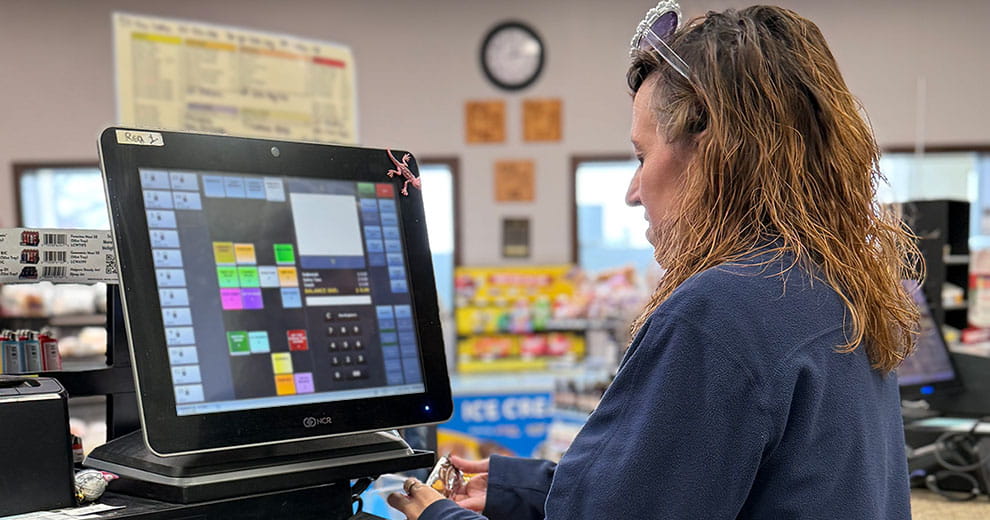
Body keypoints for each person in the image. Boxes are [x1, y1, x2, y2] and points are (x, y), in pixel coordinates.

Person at [390, 3, 920, 519]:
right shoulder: (831, 283)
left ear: (716, 149)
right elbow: (680, 485)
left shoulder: (718, 311)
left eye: (643, 157)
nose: (633, 191)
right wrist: (517, 488)